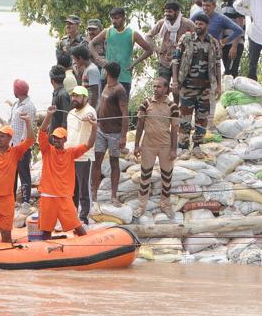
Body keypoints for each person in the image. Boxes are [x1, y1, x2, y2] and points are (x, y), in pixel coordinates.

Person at [38, 107, 96, 238]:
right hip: (48, 195)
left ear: (65, 140)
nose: (56, 140)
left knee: (78, 227)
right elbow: (42, 131)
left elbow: (89, 144)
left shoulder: (70, 153)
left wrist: (94, 126)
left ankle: (85, 250)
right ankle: (43, 254)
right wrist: (48, 116)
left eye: (59, 138)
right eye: (54, 138)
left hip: (64, 197)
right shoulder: (47, 150)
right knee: (46, 231)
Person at [172, 12, 222, 158]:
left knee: (202, 118)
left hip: (205, 88)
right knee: (185, 118)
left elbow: (218, 64)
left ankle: (197, 145)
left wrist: (219, 85)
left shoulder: (213, 42)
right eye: (196, 24)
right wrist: (175, 80)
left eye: (201, 24)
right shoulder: (186, 39)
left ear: (207, 25)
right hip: (187, 87)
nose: (198, 26)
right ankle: (183, 146)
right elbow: (175, 60)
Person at [134, 76, 180, 218]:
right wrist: (137, 145)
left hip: (165, 146)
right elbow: (140, 125)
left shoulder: (173, 106)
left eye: (159, 87)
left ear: (166, 89)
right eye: (154, 86)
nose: (155, 89)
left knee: (167, 176)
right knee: (145, 175)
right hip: (148, 145)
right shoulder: (146, 103)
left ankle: (165, 205)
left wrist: (173, 149)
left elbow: (174, 129)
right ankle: (141, 206)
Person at [88, 7, 153, 96]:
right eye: (112, 18)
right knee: (105, 105)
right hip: (107, 76)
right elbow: (91, 44)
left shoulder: (132, 34)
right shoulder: (107, 32)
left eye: (117, 18)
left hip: (124, 77)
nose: (114, 21)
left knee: (122, 106)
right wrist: (98, 58)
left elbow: (149, 50)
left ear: (124, 19)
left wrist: (134, 63)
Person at [92, 62, 129, 205]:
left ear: (107, 72)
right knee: (97, 162)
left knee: (114, 162)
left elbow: (125, 114)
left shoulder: (119, 90)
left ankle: (113, 196)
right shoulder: (106, 86)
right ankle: (93, 193)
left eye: (104, 71)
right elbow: (101, 105)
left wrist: (124, 136)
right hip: (101, 130)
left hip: (114, 133)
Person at [67, 86, 97, 224]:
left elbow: (91, 116)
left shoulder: (90, 111)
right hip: (70, 156)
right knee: (72, 189)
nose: (74, 98)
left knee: (84, 189)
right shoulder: (71, 113)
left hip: (84, 157)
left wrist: (89, 118)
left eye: (78, 96)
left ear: (85, 98)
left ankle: (84, 218)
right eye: (73, 96)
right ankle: (73, 215)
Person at [7, 79, 37, 210]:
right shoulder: (16, 104)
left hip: (22, 147)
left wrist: (24, 148)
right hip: (12, 145)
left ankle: (25, 200)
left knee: (24, 174)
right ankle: (11, 198)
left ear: (17, 90)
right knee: (12, 174)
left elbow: (28, 127)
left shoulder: (28, 106)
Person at [147, 0, 194, 81]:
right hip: (165, 61)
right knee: (163, 86)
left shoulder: (187, 23)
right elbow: (148, 36)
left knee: (179, 88)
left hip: (182, 62)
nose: (166, 14)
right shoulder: (162, 23)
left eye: (170, 12)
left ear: (177, 12)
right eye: (165, 11)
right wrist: (156, 49)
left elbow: (197, 36)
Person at [202, 0, 244, 66]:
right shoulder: (198, 16)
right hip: (199, 52)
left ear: (214, 5)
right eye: (203, 5)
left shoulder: (220, 18)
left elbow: (238, 30)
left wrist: (224, 41)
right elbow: (189, 25)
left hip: (213, 52)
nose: (205, 8)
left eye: (208, 5)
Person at [218, 0, 246, 76]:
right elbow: (221, 26)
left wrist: (234, 46)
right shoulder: (222, 6)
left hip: (235, 43)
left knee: (231, 72)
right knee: (227, 71)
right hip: (225, 44)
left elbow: (239, 26)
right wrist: (221, 45)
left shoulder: (237, 5)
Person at [49, 65, 70, 132]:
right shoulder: (57, 93)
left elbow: (65, 120)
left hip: (59, 137)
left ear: (52, 80)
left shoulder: (62, 94)